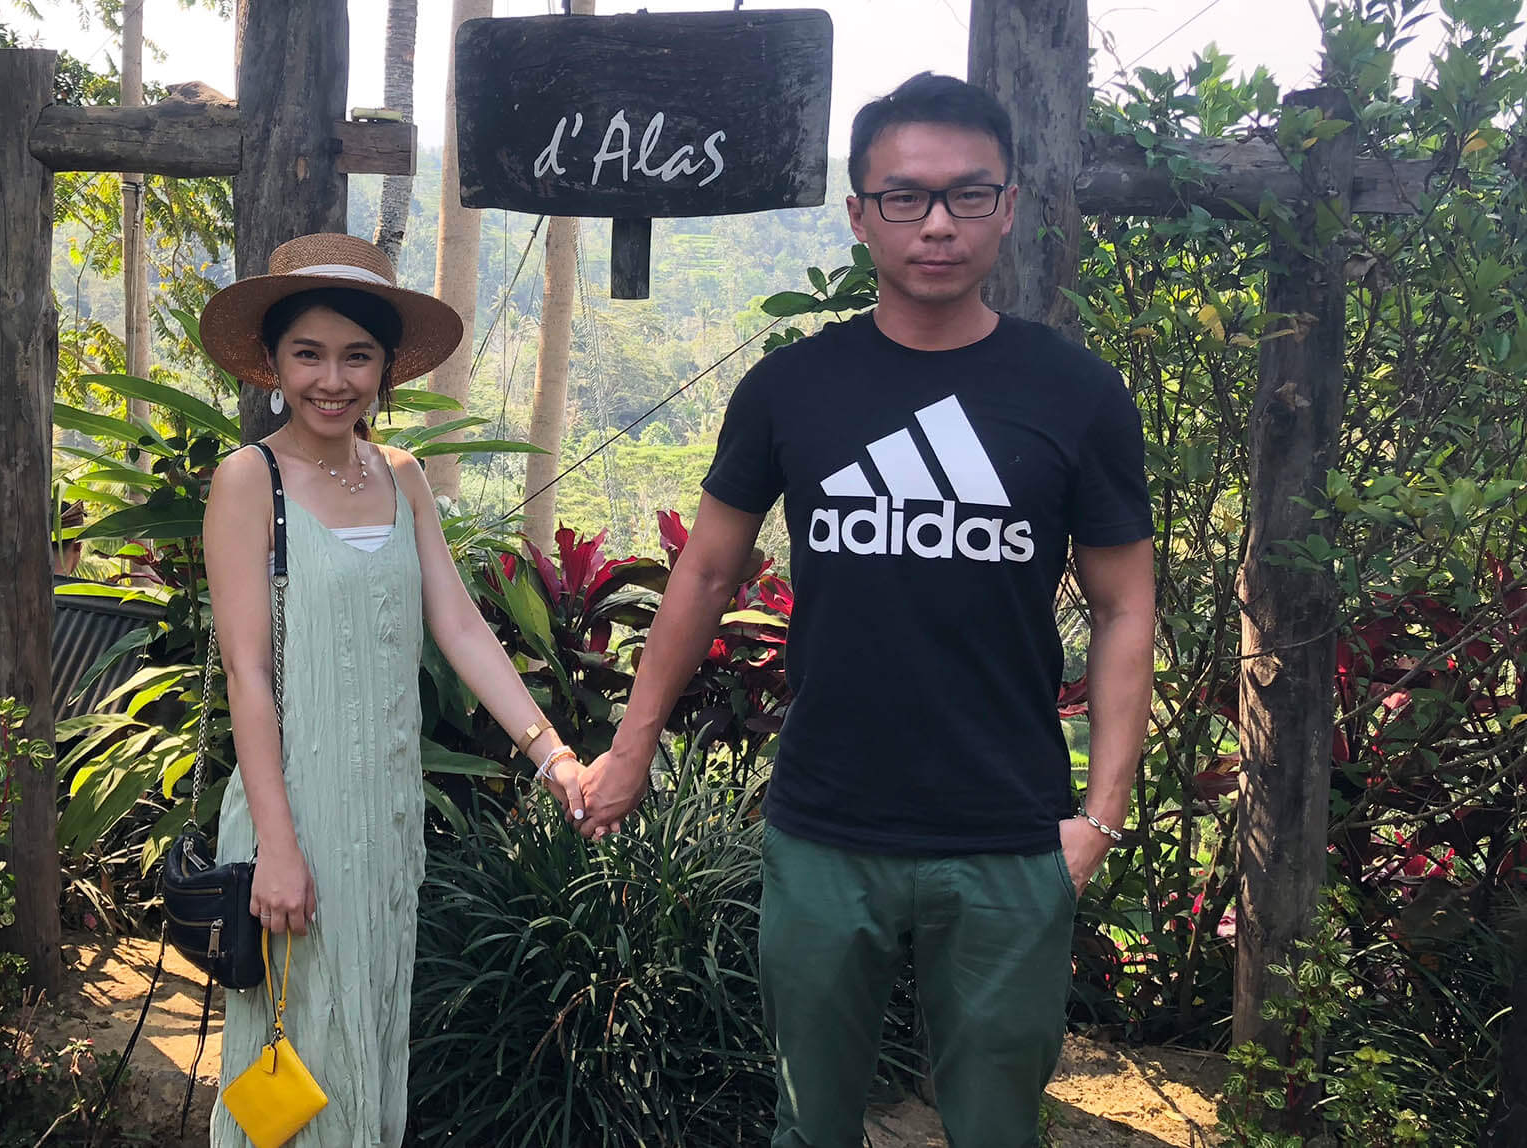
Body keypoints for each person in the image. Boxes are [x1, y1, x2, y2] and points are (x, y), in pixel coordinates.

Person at [580, 74, 1156, 1147]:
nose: (937, 223)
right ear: (859, 214)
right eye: (904, 197)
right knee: (810, 1127)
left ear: (1007, 207)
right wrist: (630, 749)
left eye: (967, 195)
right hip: (824, 828)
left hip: (1009, 834)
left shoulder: (1076, 392)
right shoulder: (791, 387)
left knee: (997, 1130)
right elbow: (703, 576)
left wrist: (1100, 817)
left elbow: (1125, 606)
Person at [196, 232, 591, 1148]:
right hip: (294, 815)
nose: (332, 380)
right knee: (290, 1065)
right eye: (309, 354)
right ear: (272, 363)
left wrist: (553, 756)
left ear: (385, 369)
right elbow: (249, 674)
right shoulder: (249, 480)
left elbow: (460, 627)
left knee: (367, 1033)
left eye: (357, 356)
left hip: (383, 816)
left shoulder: (401, 474)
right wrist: (279, 849)